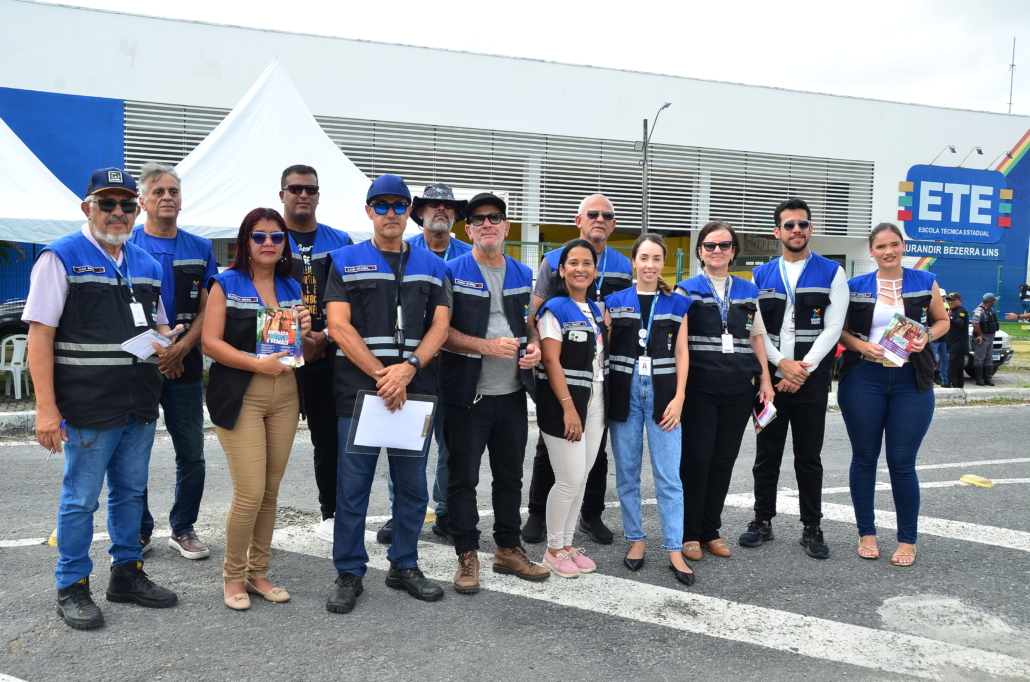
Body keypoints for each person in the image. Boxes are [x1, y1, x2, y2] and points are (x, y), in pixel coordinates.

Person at [25, 167, 180, 629]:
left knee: (130, 493)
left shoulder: (147, 263)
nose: (118, 213)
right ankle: (72, 584)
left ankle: (126, 574)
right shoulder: (61, 256)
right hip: (88, 404)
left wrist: (167, 338)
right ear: (86, 208)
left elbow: (158, 323)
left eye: (126, 205)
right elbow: (39, 336)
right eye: (106, 203)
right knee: (81, 500)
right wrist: (46, 410)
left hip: (139, 401)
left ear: (138, 209)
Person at [323, 174, 451, 613]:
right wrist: (385, 376)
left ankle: (404, 565)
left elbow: (440, 327)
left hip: (415, 392)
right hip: (361, 392)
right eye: (381, 205)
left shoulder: (434, 265)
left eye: (399, 205)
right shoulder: (344, 260)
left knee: (413, 489)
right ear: (368, 211)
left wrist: (409, 369)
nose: (390, 213)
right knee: (352, 489)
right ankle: (349, 572)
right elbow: (338, 325)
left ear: (409, 212)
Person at [202, 207, 314, 610]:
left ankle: (258, 572)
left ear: (285, 244)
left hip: (286, 394)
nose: (269, 243)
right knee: (249, 493)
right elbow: (210, 343)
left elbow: (305, 350)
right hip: (241, 394)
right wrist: (256, 364)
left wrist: (306, 332)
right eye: (259, 236)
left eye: (277, 237)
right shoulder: (225, 283)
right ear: (244, 242)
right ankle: (233, 576)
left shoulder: (291, 286)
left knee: (269, 492)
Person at [440, 192, 550, 594]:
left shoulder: (523, 272)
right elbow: (440, 332)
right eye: (478, 219)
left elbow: (530, 324)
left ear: (506, 226)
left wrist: (534, 347)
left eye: (495, 217)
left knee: (509, 478)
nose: (487, 224)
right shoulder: (451, 271)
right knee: (462, 479)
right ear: (468, 230)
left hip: (512, 394)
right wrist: (485, 346)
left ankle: (507, 548)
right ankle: (467, 554)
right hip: (467, 395)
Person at [522, 194, 632, 546]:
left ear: (614, 224)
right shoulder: (552, 261)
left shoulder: (623, 265)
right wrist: (536, 347)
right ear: (578, 220)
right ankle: (538, 513)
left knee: (594, 456)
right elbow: (534, 313)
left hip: (598, 372)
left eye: (607, 215)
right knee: (551, 448)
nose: (600, 219)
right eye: (592, 214)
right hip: (565, 367)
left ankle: (591, 514)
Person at [837, 222, 949, 567]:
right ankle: (866, 533)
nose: (888, 251)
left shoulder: (924, 281)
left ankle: (907, 540)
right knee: (864, 458)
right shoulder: (855, 286)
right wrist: (861, 346)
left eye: (894, 244)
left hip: (911, 381)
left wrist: (927, 336)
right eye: (881, 246)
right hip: (863, 379)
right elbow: (839, 331)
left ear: (903, 246)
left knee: (902, 463)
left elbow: (942, 321)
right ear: (871, 251)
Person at [740, 199, 847, 559]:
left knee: (809, 457)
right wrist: (782, 364)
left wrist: (802, 370)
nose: (796, 230)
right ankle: (762, 520)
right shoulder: (760, 275)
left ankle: (812, 526)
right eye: (789, 225)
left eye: (802, 224)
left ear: (810, 229)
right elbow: (756, 330)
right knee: (766, 455)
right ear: (777, 232)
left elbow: (833, 327)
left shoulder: (832, 272)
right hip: (769, 381)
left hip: (810, 382)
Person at [129, 162, 218, 561]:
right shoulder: (126, 245)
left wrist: (181, 349)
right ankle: (139, 530)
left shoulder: (201, 248)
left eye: (174, 191)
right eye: (159, 191)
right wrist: (162, 351)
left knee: (192, 452)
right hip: (139, 366)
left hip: (186, 363)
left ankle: (183, 528)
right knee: (135, 453)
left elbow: (209, 307)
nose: (167, 197)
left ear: (181, 200)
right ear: (143, 201)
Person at [374, 183, 471, 546]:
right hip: (412, 366)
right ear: (419, 212)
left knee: (452, 444)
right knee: (406, 443)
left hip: (457, 365)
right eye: (432, 205)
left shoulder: (469, 255)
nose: (440, 210)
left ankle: (444, 511)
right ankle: (400, 511)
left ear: (456, 215)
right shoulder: (402, 250)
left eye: (447, 205)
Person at [676, 221, 775, 569]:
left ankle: (710, 530)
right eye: (710, 245)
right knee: (697, 460)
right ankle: (689, 533)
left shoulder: (748, 290)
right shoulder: (685, 290)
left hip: (738, 390)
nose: (717, 251)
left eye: (724, 245)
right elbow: (679, 345)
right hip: (700, 389)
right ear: (700, 251)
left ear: (733, 251)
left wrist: (765, 380)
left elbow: (756, 337)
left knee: (723, 461)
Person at [605, 234, 693, 586]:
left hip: (664, 394)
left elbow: (682, 352)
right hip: (623, 393)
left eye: (656, 258)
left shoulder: (677, 303)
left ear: (663, 263)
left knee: (668, 476)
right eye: (644, 257)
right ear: (634, 261)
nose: (650, 265)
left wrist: (680, 397)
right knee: (627, 473)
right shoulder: (614, 302)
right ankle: (636, 540)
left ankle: (674, 549)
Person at [279, 164, 353, 543]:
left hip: (331, 354)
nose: (303, 195)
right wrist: (300, 342)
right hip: (281, 354)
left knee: (329, 439)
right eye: (295, 189)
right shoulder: (270, 237)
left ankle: (333, 513)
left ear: (319, 195)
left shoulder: (340, 241)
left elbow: (352, 296)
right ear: (282, 195)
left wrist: (323, 336)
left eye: (310, 189)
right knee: (270, 440)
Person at [535, 239, 608, 578]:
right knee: (568, 480)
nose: (581, 268)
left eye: (587, 263)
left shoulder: (595, 308)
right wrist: (568, 407)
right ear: (562, 270)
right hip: (565, 402)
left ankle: (566, 545)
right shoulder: (554, 309)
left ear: (595, 270)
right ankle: (552, 550)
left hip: (597, 398)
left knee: (581, 478)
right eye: (573, 263)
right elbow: (551, 361)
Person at [971, 293, 999, 386]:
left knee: (988, 358)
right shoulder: (979, 310)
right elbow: (975, 323)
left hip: (990, 337)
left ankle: (988, 378)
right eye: (994, 300)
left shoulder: (990, 310)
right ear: (990, 301)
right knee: (979, 358)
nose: (995, 302)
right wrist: (980, 334)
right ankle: (979, 379)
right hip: (982, 338)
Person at [946, 293, 969, 389]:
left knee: (951, 370)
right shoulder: (952, 311)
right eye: (949, 300)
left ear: (960, 301)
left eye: (953, 300)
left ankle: (951, 389)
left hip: (958, 346)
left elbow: (959, 323)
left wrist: (947, 318)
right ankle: (959, 389)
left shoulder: (961, 311)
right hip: (953, 344)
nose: (950, 302)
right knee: (959, 371)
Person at [931, 291, 950, 387]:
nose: (943, 298)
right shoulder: (931, 306)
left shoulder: (946, 306)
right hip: (934, 338)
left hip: (943, 338)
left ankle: (944, 380)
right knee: (932, 359)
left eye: (944, 297)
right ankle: (930, 380)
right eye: (941, 296)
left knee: (945, 359)